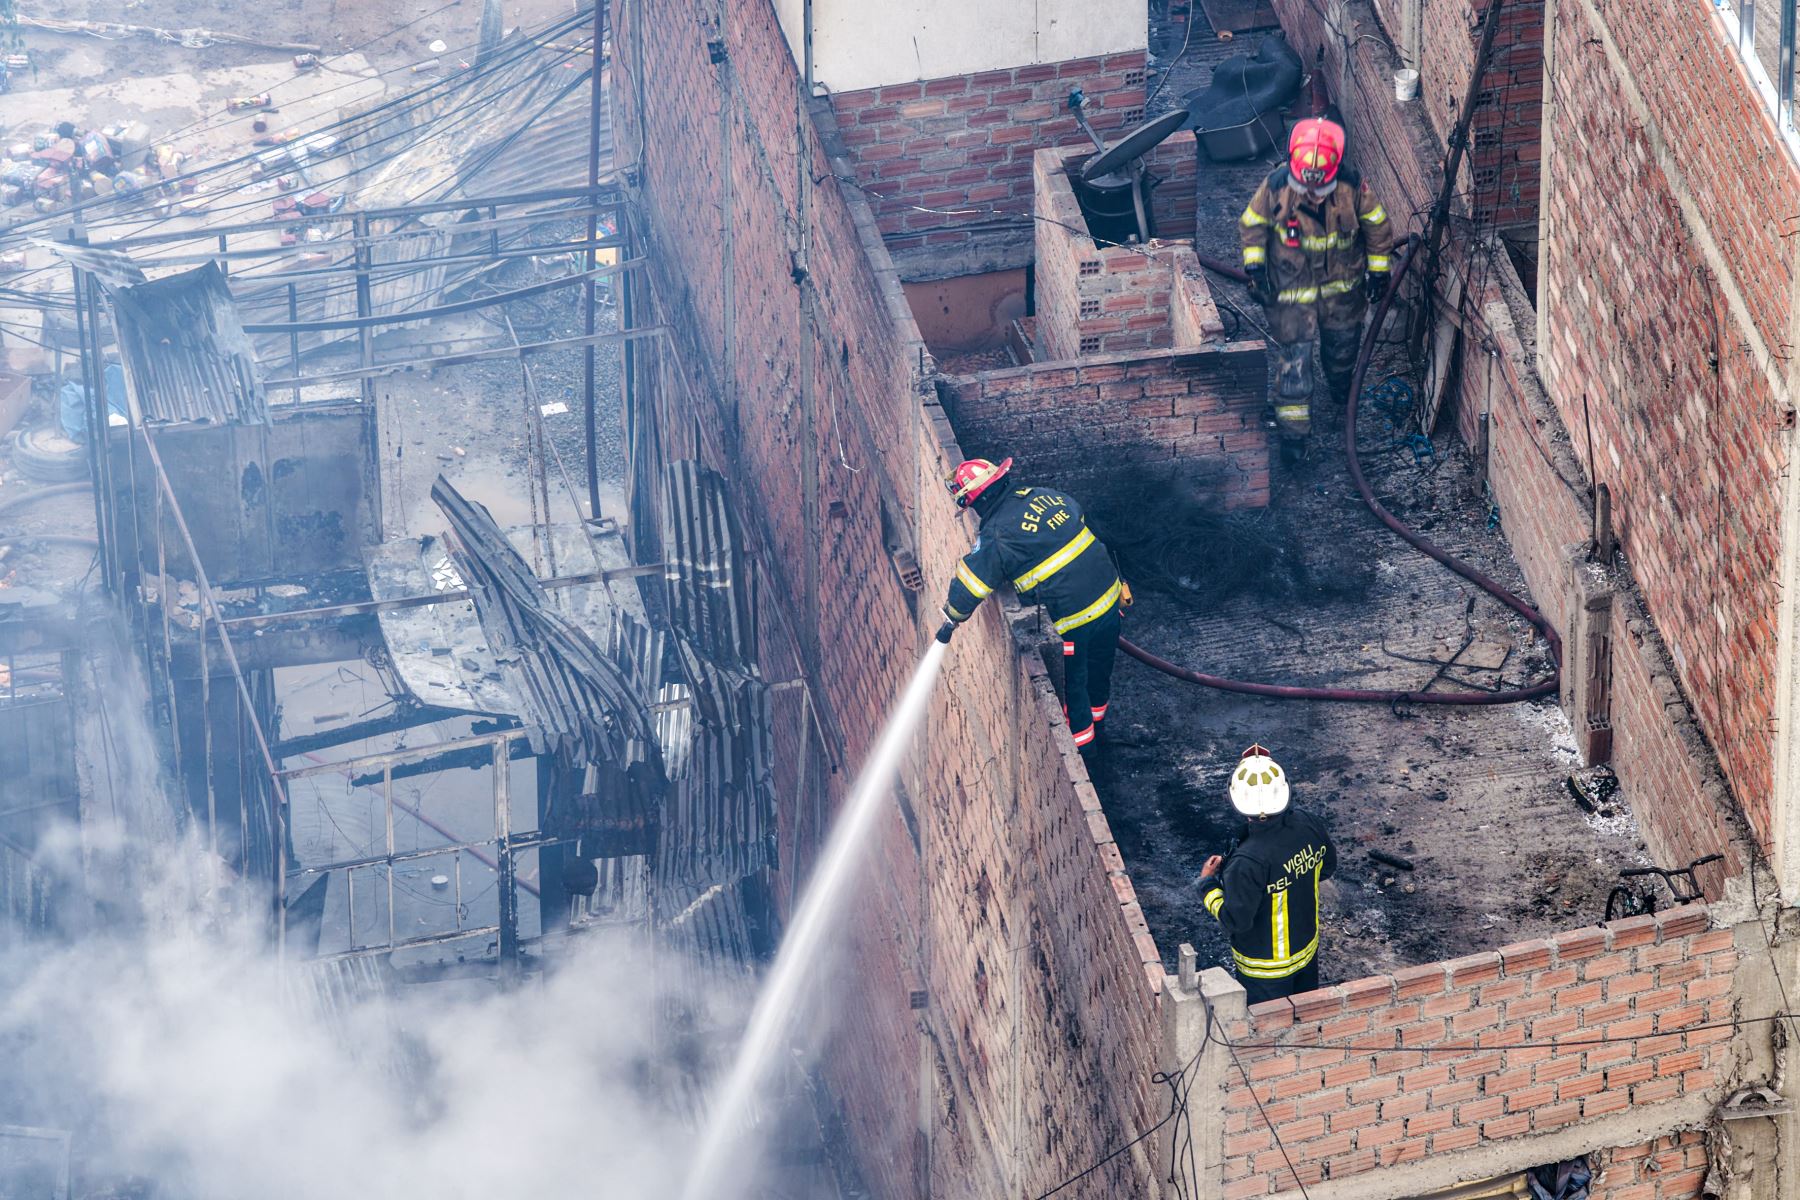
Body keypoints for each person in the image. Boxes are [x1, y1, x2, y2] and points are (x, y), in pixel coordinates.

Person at [936, 457, 1122, 752]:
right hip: (1110, 600)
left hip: (1073, 622)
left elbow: (971, 586)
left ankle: (1087, 757)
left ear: (977, 501)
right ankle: (1101, 728)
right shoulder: (1047, 495)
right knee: (1099, 671)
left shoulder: (997, 534)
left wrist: (950, 618)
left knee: (1073, 692)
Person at [1238, 117, 1395, 461]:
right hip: (1292, 294)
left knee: (1342, 353)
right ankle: (1293, 438)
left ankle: (1341, 390)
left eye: (1319, 187)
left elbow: (1378, 227)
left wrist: (1379, 271)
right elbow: (1252, 224)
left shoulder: (1353, 188)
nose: (1311, 192)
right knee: (1294, 366)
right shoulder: (1276, 186)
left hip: (1343, 295)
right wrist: (1255, 268)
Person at [1197, 744, 1337, 1002]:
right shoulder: (1309, 823)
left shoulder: (1246, 862)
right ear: (1284, 790)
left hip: (1264, 971)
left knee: (1269, 1025)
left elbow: (1236, 921)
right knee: (1306, 1016)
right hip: (1306, 953)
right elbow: (1326, 867)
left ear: (1235, 800)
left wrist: (1207, 885)